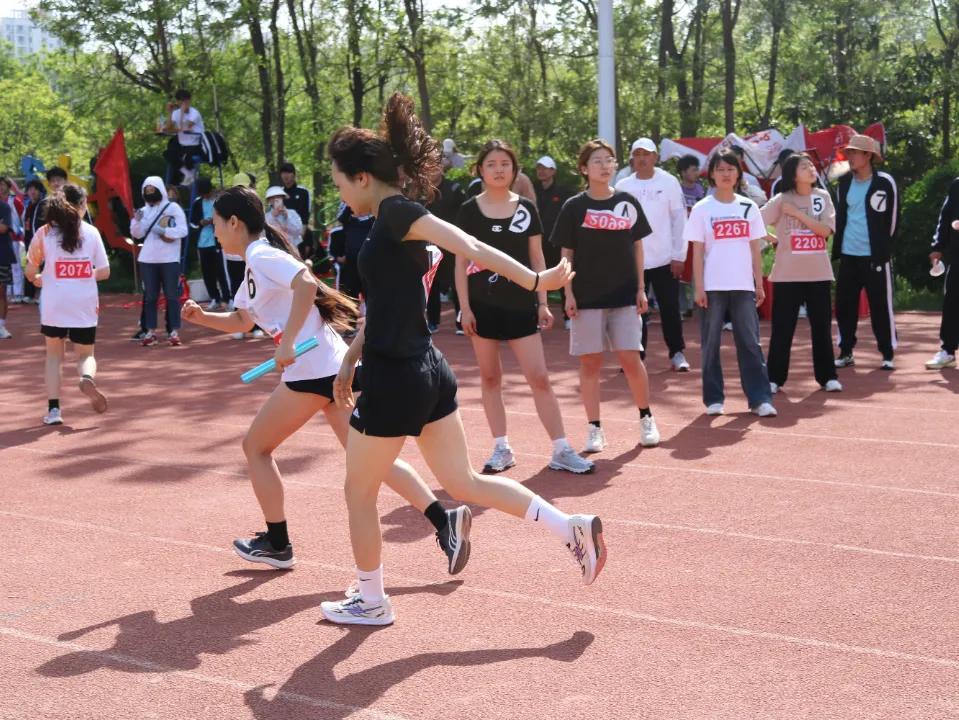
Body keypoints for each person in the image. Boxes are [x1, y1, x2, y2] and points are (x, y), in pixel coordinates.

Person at [320, 93, 607, 626]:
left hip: (396, 376)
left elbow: (469, 246)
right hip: (422, 368)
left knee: (357, 491)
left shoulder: (400, 213)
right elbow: (387, 300)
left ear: (361, 177)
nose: (338, 192)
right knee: (464, 483)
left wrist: (536, 280)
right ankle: (568, 526)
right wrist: (349, 356)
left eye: (339, 181)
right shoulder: (385, 219)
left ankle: (372, 600)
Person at [180, 186, 470, 574]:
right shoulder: (255, 262)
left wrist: (288, 343)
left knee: (256, 447)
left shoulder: (262, 255)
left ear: (234, 222)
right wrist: (202, 318)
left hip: (311, 372)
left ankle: (278, 543)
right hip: (328, 368)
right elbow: (243, 320)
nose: (214, 231)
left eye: (216, 223)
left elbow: (305, 282)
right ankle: (444, 522)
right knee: (370, 458)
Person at [455, 139, 594, 475]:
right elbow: (459, 263)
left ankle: (561, 449)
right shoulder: (469, 211)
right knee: (490, 378)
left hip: (521, 305)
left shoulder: (526, 208)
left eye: (505, 164)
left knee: (539, 377)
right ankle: (501, 447)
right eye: (491, 164)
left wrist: (543, 302)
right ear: (480, 170)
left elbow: (536, 257)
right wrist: (465, 308)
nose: (498, 170)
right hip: (481, 305)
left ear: (515, 170)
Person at [554, 139, 661, 452]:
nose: (604, 166)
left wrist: (641, 289)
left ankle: (646, 417)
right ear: (584, 169)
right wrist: (567, 293)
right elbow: (566, 253)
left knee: (631, 358)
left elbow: (638, 247)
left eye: (609, 160)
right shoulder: (573, 207)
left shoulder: (627, 201)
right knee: (590, 363)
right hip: (586, 297)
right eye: (597, 161)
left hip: (624, 295)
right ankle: (594, 428)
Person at [686, 150, 776, 417]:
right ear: (712, 174)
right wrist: (699, 287)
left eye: (730, 169)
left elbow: (755, 248)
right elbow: (697, 252)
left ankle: (760, 399)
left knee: (750, 342)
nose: (726, 174)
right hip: (713, 286)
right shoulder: (702, 209)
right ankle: (714, 399)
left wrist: (758, 283)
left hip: (743, 285)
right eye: (720, 169)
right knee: (710, 343)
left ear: (738, 174)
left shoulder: (748, 207)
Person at [24, 185, 110, 425]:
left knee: (54, 356)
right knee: (86, 354)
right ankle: (86, 377)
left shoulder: (44, 233)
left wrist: (38, 278)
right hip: (83, 303)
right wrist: (83, 274)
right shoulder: (91, 232)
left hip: (54, 303)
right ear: (82, 205)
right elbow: (104, 272)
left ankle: (54, 410)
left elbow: (30, 270)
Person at [761, 153, 842, 393]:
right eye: (804, 166)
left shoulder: (822, 197)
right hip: (787, 275)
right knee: (782, 329)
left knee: (822, 328)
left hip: (818, 274)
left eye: (811, 165)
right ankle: (774, 378)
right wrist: (772, 238)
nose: (811, 169)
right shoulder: (781, 199)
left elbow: (825, 231)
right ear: (793, 174)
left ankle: (827, 377)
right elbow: (754, 221)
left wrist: (797, 214)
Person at [615, 138, 690, 371]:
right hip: (632, 261)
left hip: (665, 258)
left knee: (670, 308)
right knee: (634, 310)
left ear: (655, 157)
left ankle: (677, 352)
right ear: (632, 159)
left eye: (646, 154)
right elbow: (617, 224)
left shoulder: (669, 182)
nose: (642, 159)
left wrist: (679, 255)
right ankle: (636, 355)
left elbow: (679, 219)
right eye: (637, 154)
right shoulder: (622, 185)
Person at [832, 134, 899, 370]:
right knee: (844, 306)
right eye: (848, 152)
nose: (850, 157)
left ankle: (887, 353)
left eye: (854, 152)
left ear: (868, 155)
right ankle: (846, 351)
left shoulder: (885, 182)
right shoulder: (843, 183)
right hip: (849, 254)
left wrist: (882, 247)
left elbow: (893, 221)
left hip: (875, 256)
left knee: (881, 306)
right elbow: (840, 217)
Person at [131, 176, 188, 347]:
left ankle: (173, 331)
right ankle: (150, 331)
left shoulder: (173, 208)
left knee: (172, 296)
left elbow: (183, 230)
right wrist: (136, 220)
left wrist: (164, 231)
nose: (149, 193)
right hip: (148, 259)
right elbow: (137, 234)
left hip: (169, 259)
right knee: (150, 297)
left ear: (159, 189)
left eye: (152, 189)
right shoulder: (143, 211)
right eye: (146, 190)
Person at [534, 156, 574, 328]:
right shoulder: (532, 191)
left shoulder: (564, 193)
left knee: (563, 277)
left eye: (545, 168)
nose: (542, 171)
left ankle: (568, 317)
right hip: (537, 244)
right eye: (539, 168)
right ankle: (537, 315)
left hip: (556, 244)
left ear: (553, 171)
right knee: (536, 278)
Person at [425, 161, 466, 332]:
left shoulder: (454, 188)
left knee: (457, 282)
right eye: (430, 167)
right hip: (430, 243)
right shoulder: (421, 189)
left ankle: (461, 322)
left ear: (442, 169)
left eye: (437, 167)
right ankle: (433, 322)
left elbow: (465, 212)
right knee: (431, 284)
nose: (433, 171)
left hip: (452, 242)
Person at [925, 177, 959, 369]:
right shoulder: (957, 186)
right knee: (952, 301)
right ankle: (947, 351)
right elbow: (945, 218)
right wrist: (937, 247)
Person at [190, 177, 230, 310]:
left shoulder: (218, 201)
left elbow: (226, 218)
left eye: (206, 193)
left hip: (217, 242)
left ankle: (227, 298)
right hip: (202, 243)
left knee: (221, 271)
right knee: (207, 272)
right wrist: (200, 223)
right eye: (202, 194)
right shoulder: (197, 203)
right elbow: (192, 223)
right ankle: (214, 298)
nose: (205, 196)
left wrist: (214, 221)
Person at [677, 154, 705, 316]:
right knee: (680, 273)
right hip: (680, 238)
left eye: (697, 170)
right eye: (693, 170)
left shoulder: (701, 190)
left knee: (697, 271)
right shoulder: (676, 190)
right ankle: (682, 307)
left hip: (696, 239)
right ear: (683, 172)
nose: (697, 173)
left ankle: (696, 304)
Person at [328, 202, 372, 303]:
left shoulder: (373, 220)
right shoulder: (349, 220)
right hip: (351, 266)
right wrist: (351, 201)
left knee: (371, 299)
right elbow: (341, 217)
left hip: (369, 266)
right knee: (350, 298)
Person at [164, 89, 205, 185]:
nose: (183, 103)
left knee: (187, 157)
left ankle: (190, 174)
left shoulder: (194, 113)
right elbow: (168, 128)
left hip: (195, 143)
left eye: (185, 101)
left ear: (189, 101)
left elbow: (185, 128)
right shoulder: (176, 113)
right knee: (168, 153)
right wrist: (170, 112)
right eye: (181, 101)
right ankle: (187, 173)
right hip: (182, 143)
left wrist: (182, 113)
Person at [278, 162, 313, 260]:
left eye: (288, 172)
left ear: (294, 174)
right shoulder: (278, 193)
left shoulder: (303, 192)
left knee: (299, 262)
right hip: (282, 235)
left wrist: (301, 235)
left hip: (298, 233)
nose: (286, 175)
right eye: (283, 173)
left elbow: (305, 215)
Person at [21, 179, 46, 305]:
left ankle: (43, 295)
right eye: (30, 189)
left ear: (40, 191)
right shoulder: (28, 206)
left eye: (35, 189)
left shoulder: (43, 205)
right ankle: (29, 295)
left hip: (41, 243)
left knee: (44, 268)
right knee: (30, 267)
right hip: (29, 242)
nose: (32, 192)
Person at [0, 193, 13, 339]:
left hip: (2, 255)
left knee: (1, 291)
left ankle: (1, 326)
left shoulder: (4, 207)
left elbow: (3, 228)